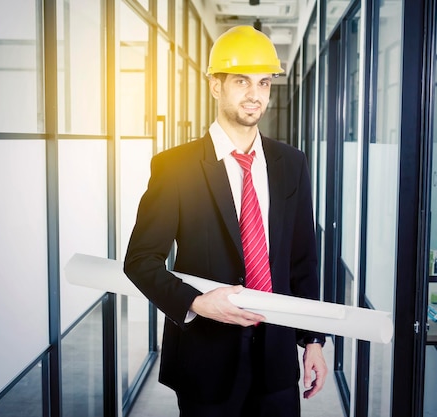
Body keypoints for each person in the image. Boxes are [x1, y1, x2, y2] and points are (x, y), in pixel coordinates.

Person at [124, 25, 327, 417]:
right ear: (215, 86)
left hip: (276, 360)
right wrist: (197, 303)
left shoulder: (291, 164)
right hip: (206, 362)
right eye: (241, 81)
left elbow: (302, 261)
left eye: (264, 83)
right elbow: (141, 260)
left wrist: (313, 341)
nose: (255, 95)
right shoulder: (175, 167)